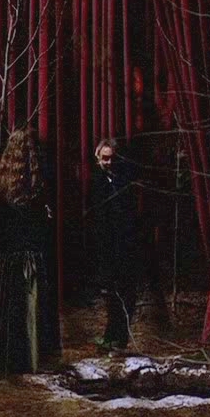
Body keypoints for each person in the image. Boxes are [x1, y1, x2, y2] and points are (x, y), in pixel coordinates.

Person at [0, 129, 61, 376]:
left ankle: (13, 361)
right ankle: (33, 359)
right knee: (32, 308)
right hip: (32, 255)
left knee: (14, 310)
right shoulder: (36, 185)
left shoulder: (3, 183)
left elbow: (0, 226)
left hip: (10, 258)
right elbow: (40, 224)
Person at [86, 138, 140, 350]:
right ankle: (111, 336)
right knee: (110, 294)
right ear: (98, 158)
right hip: (104, 246)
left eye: (111, 158)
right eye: (105, 159)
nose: (108, 163)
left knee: (125, 292)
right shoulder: (95, 182)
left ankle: (119, 338)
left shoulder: (124, 180)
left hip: (124, 245)